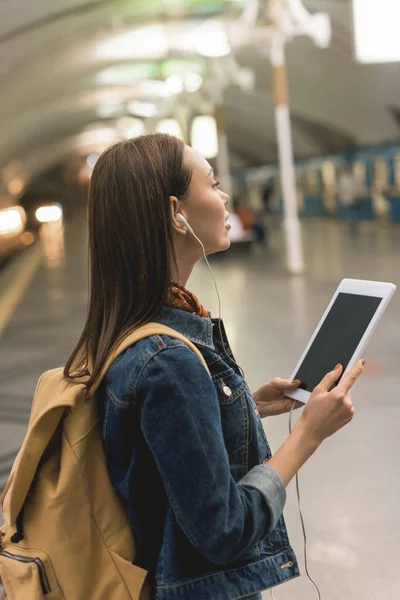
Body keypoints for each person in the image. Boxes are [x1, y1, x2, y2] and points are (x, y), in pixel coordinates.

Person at [65, 134, 364, 600]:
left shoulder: (126, 328)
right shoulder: (168, 359)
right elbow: (224, 530)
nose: (225, 197)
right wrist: (308, 432)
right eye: (213, 183)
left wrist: (247, 404)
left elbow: (158, 451)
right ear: (174, 213)